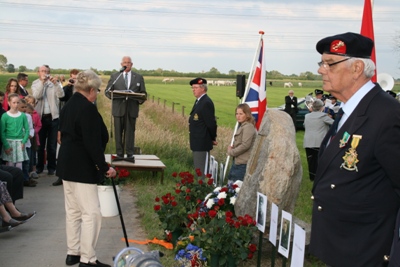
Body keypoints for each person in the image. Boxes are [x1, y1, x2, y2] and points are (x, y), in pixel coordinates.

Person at [309, 32, 400, 267]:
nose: (321, 70)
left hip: (365, 250)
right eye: (322, 63)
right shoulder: (349, 109)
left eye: (329, 64)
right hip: (342, 245)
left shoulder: (387, 115)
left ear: (357, 68)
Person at [57, 70, 116, 267]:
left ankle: (73, 252)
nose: (97, 94)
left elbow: (62, 135)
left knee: (73, 211)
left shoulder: (69, 105)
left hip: (66, 164)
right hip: (81, 167)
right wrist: (104, 167)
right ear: (90, 89)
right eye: (97, 90)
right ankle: (88, 259)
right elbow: (92, 143)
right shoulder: (87, 108)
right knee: (91, 213)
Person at [105, 56, 147, 158]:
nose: (126, 64)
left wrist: (140, 98)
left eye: (129, 63)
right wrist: (112, 94)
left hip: (131, 109)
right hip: (118, 109)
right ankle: (119, 154)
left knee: (130, 133)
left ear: (132, 65)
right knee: (118, 133)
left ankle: (129, 155)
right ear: (121, 64)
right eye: (125, 62)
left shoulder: (138, 77)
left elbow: (143, 93)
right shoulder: (115, 76)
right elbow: (107, 91)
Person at [31, 65, 65, 184]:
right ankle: (40, 167)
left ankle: (51, 168)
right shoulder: (35, 83)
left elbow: (61, 95)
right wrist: (42, 83)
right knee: (40, 145)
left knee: (51, 145)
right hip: (41, 118)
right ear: (38, 73)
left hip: (53, 117)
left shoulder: (54, 83)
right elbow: (36, 96)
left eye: (46, 71)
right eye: (42, 71)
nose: (44, 73)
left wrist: (56, 84)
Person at [189, 77, 217, 177]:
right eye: (192, 88)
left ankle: (201, 190)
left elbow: (211, 123)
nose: (193, 90)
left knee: (201, 171)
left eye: (195, 87)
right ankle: (198, 188)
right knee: (198, 169)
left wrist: (213, 138)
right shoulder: (199, 101)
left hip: (202, 142)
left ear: (203, 88)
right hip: (197, 142)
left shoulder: (206, 102)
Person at [303, 99, 333, 181]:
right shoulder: (323, 116)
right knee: (319, 160)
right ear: (321, 107)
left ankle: (312, 176)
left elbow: (305, 125)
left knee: (311, 160)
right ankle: (319, 176)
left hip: (308, 141)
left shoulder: (307, 116)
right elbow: (334, 123)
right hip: (319, 141)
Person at [227, 103, 256, 182]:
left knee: (235, 189)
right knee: (230, 187)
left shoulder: (248, 127)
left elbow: (245, 145)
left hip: (243, 164)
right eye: (236, 114)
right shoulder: (242, 126)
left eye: (241, 114)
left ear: (247, 115)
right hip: (237, 162)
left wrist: (232, 152)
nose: (238, 116)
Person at [0, 93, 30, 171]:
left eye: (18, 102)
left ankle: (18, 181)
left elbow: (27, 130)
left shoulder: (23, 115)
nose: (16, 104)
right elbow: (2, 132)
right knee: (10, 165)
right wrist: (6, 145)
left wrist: (24, 141)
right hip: (9, 143)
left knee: (19, 165)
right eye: (14, 102)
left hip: (20, 143)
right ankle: (11, 182)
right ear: (9, 103)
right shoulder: (5, 116)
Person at [25, 102, 41, 179]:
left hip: (33, 139)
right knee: (27, 158)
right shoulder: (25, 117)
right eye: (29, 113)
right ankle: (26, 175)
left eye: (31, 113)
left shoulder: (34, 116)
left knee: (32, 156)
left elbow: (37, 126)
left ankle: (31, 172)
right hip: (25, 140)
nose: (31, 115)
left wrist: (33, 133)